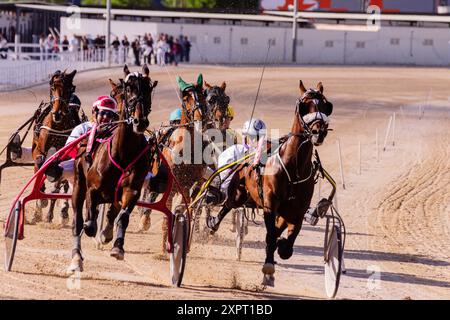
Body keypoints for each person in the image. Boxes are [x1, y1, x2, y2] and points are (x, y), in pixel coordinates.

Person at [206, 118, 267, 232]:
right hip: (231, 190)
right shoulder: (235, 150)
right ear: (245, 137)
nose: (253, 141)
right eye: (251, 137)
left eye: (256, 138)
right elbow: (223, 175)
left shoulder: (266, 153)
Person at [44, 96, 118, 182]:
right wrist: (84, 144)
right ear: (94, 111)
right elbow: (69, 151)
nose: (105, 117)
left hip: (104, 168)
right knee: (65, 168)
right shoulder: (83, 128)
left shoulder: (115, 131)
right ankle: (51, 168)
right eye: (103, 113)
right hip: (82, 166)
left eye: (109, 115)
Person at [8, 93, 84, 164]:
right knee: (41, 153)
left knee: (43, 154)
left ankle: (20, 154)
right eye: (70, 109)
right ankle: (18, 153)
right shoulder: (55, 124)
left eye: (74, 109)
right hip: (53, 156)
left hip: (63, 159)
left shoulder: (80, 124)